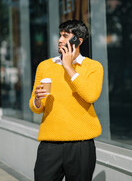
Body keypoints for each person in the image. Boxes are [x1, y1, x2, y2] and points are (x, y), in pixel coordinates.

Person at [29, 19, 103, 181]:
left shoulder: (93, 67)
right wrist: (37, 100)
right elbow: (36, 106)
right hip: (50, 143)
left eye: (65, 36)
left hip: (81, 144)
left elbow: (91, 96)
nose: (60, 40)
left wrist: (68, 67)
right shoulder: (45, 66)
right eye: (60, 35)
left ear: (78, 40)